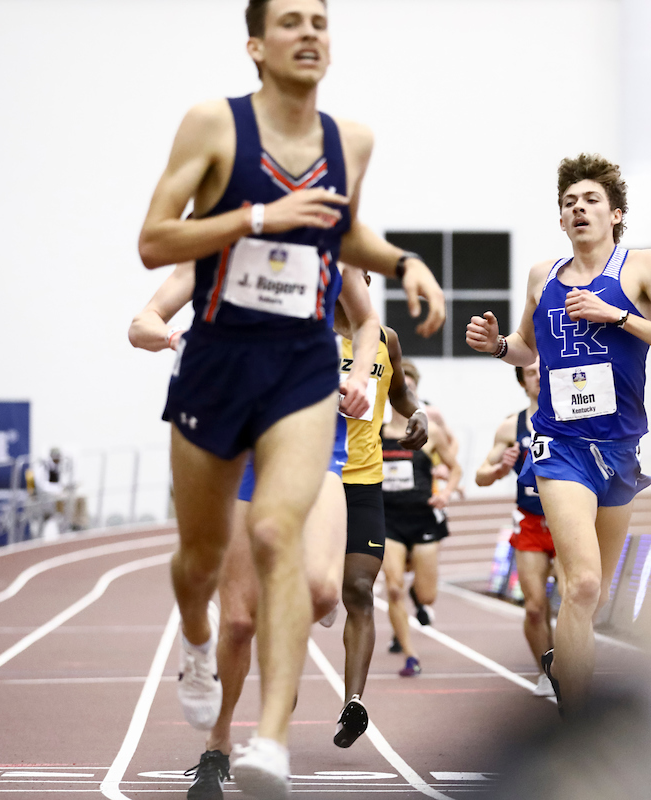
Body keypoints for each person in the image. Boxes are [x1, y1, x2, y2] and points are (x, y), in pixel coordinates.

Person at [136, 0, 443, 791]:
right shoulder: (213, 126)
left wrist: (404, 261)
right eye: (291, 20)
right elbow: (154, 241)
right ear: (255, 44)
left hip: (302, 371)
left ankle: (267, 743)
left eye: (321, 20)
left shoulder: (350, 142)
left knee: (286, 545)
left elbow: (346, 238)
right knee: (203, 568)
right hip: (219, 367)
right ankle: (197, 642)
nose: (310, 32)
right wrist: (259, 216)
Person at [129, 263, 398, 799]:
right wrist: (173, 335)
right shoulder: (218, 245)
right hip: (234, 435)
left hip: (309, 426)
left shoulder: (328, 244)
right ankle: (218, 742)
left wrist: (360, 373)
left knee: (324, 590)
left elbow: (368, 320)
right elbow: (142, 322)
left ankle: (272, 735)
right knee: (237, 621)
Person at [465, 153, 651, 713]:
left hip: (619, 450)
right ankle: (572, 720)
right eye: (569, 202)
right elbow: (527, 348)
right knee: (585, 585)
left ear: (616, 214)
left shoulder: (642, 267)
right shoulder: (541, 275)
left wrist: (617, 316)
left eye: (591, 200)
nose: (579, 209)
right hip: (559, 445)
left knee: (587, 602)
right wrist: (499, 346)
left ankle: (565, 660)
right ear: (560, 219)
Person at [335, 283, 428, 748]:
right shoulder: (306, 334)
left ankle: (353, 702)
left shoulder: (386, 339)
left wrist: (419, 414)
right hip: (312, 485)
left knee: (358, 589)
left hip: (364, 484)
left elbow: (399, 397)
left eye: (365, 277)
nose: (357, 285)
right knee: (302, 594)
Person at [475, 361, 561, 697]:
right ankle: (547, 670)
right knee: (535, 606)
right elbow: (481, 475)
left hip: (568, 522)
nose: (538, 375)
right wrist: (500, 468)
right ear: (522, 382)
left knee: (572, 599)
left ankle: (568, 669)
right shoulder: (513, 426)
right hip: (530, 523)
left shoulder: (572, 413)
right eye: (530, 372)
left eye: (543, 369)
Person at [380, 363, 462, 677]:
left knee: (427, 595)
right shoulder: (376, 432)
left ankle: (419, 597)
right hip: (389, 519)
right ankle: (410, 655)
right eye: (398, 388)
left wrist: (446, 492)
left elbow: (455, 468)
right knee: (394, 587)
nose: (404, 393)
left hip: (424, 518)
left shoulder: (431, 432)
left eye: (409, 388)